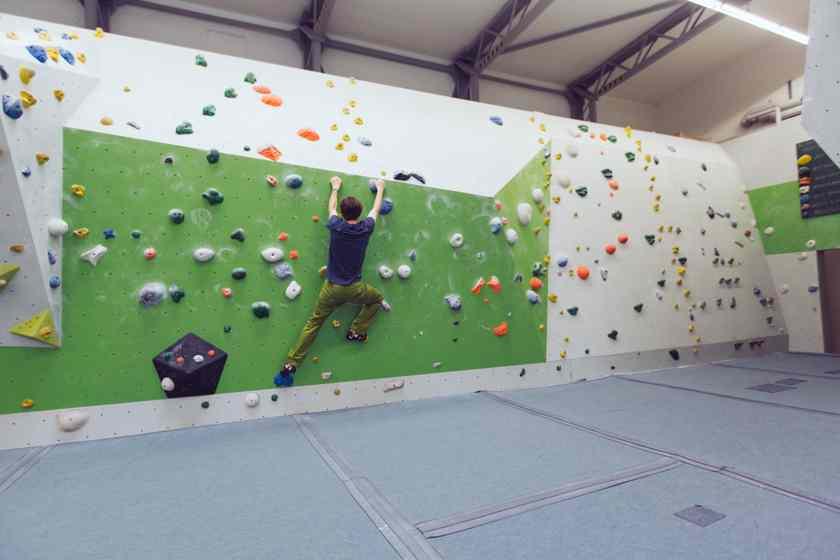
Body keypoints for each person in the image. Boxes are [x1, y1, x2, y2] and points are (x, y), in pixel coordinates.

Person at [274, 176, 386, 387]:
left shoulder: (336, 225)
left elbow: (331, 208)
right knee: (377, 299)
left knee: (314, 323)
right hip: (355, 289)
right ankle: (356, 332)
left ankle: (290, 365)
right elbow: (376, 210)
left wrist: (335, 188)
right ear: (359, 213)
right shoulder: (366, 228)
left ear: (343, 215)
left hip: (331, 288)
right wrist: (380, 188)